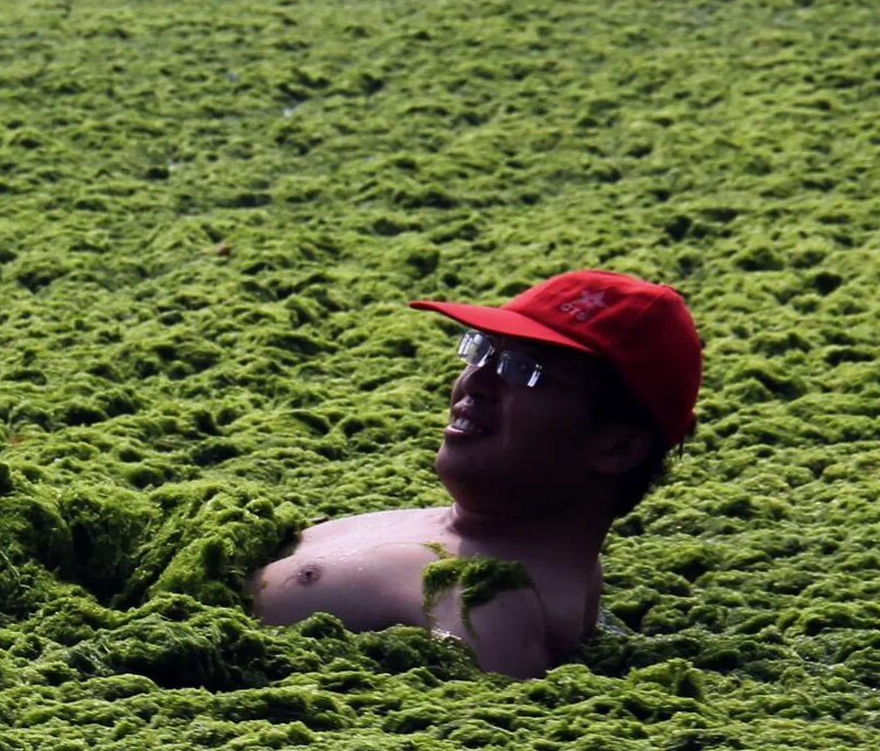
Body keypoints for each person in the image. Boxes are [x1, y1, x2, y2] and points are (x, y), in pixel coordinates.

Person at [250, 269, 701, 678]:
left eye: (525, 370)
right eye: (482, 350)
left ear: (616, 447)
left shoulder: (492, 607)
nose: (476, 381)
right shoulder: (490, 544)